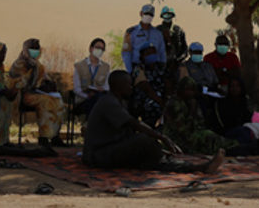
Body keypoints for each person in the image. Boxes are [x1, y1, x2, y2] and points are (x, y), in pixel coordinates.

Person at [83, 70, 224, 174]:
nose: (131, 88)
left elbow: (129, 130)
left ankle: (195, 167)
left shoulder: (119, 102)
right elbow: (134, 124)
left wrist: (158, 145)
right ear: (119, 86)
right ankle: (193, 167)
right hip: (98, 155)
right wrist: (163, 138)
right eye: (128, 85)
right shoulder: (109, 103)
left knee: (150, 159)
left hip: (109, 149)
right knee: (143, 141)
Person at [163, 77, 243, 155]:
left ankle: (236, 147)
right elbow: (182, 129)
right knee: (207, 138)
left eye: (192, 90)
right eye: (187, 90)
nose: (190, 93)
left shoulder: (190, 102)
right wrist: (192, 111)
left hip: (192, 133)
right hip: (177, 137)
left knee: (211, 137)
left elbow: (200, 123)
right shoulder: (174, 104)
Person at [7, 38, 65, 147]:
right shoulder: (20, 64)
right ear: (25, 49)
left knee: (57, 101)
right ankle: (44, 137)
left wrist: (48, 84)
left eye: (36, 49)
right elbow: (19, 84)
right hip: (22, 96)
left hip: (35, 93)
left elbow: (44, 79)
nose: (35, 51)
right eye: (32, 49)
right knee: (46, 102)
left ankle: (54, 136)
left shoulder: (38, 65)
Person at [129, 43, 169, 126]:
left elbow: (167, 83)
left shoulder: (160, 67)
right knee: (154, 108)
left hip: (161, 97)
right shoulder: (138, 68)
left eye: (153, 53)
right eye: (148, 53)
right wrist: (162, 103)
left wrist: (166, 99)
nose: (152, 55)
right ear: (142, 56)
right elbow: (146, 88)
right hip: (146, 99)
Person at [121, 4, 167, 73]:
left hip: (155, 68)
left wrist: (162, 66)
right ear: (141, 13)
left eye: (151, 15)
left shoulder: (158, 33)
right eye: (146, 13)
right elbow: (126, 53)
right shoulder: (131, 32)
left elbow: (162, 51)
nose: (148, 16)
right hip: (138, 68)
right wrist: (130, 71)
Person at [73, 37, 111, 115]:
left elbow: (107, 87)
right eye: (98, 47)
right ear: (90, 49)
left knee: (99, 101)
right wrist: (87, 96)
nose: (100, 50)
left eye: (102, 49)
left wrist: (102, 90)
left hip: (100, 99)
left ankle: (89, 125)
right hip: (83, 100)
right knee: (95, 103)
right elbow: (77, 88)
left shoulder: (106, 67)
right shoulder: (79, 66)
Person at [156, 6, 188, 73]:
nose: (167, 17)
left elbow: (185, 49)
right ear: (162, 16)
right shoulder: (156, 30)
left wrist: (177, 60)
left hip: (177, 63)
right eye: (165, 15)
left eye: (169, 15)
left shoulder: (179, 30)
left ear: (172, 16)